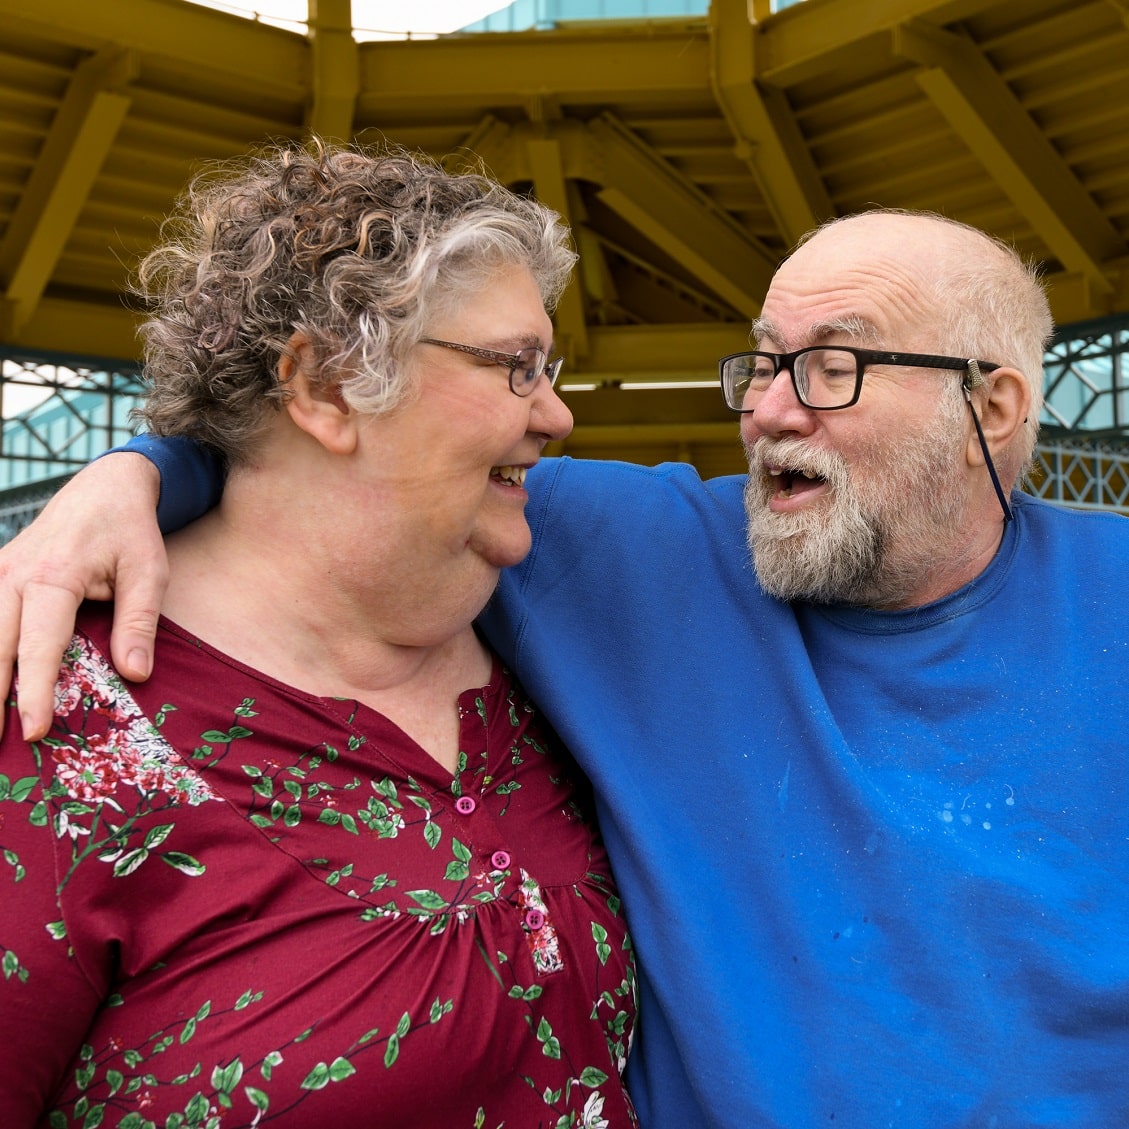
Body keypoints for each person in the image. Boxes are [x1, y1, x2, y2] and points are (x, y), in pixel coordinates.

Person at [3, 208, 1128, 1127]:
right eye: (764, 363)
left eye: (833, 367)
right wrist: (136, 475)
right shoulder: (650, 554)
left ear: (990, 408)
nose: (767, 410)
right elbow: (342, 467)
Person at [0, 141, 639, 1127]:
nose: (554, 414)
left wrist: (137, 468)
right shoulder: (54, 716)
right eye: (516, 368)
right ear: (327, 386)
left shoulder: (548, 632)